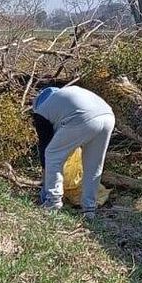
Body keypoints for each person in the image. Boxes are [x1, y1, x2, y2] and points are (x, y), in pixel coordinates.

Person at [31, 85, 115, 213]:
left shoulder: (41, 111)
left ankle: (53, 202)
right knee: (94, 164)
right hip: (108, 116)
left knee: (52, 154)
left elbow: (45, 147)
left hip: (84, 116)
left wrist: (45, 182)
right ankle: (89, 209)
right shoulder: (65, 96)